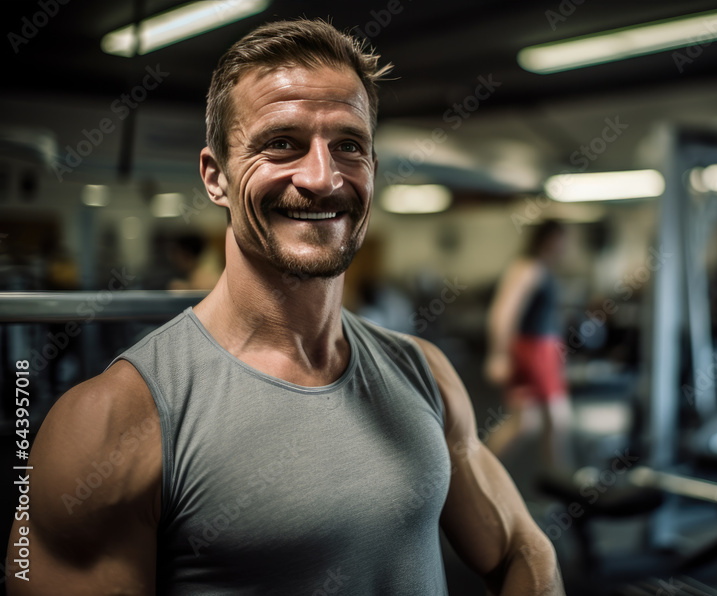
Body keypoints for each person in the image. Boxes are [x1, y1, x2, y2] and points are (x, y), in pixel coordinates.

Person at [7, 20, 563, 595]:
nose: (322, 178)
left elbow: (524, 551)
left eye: (349, 145)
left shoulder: (424, 372)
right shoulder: (110, 424)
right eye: (281, 144)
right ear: (215, 177)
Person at [485, 220, 573, 470]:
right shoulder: (527, 268)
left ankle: (479, 475)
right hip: (534, 351)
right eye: (563, 239)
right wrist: (497, 356)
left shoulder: (542, 268)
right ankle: (560, 488)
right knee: (558, 419)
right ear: (549, 239)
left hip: (544, 350)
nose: (567, 246)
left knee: (525, 423)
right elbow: (502, 313)